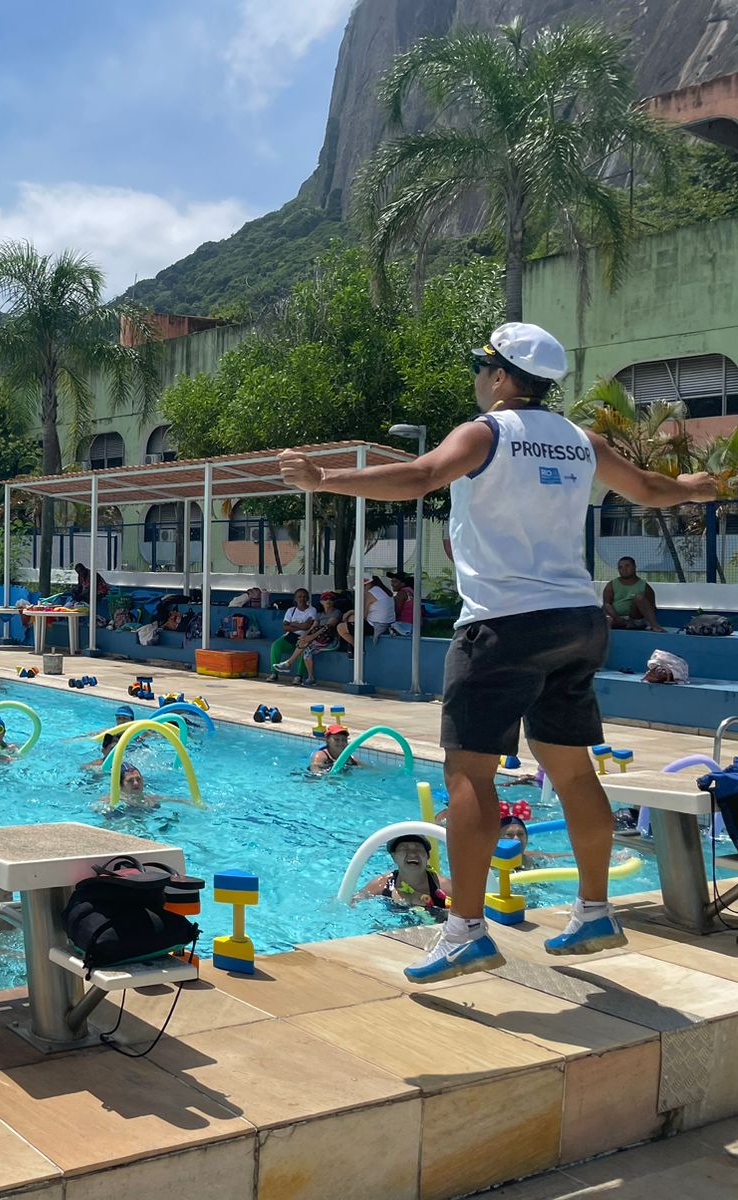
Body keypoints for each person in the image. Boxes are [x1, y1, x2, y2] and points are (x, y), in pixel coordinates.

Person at [279, 320, 718, 982]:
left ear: (502, 376)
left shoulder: (485, 431)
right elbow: (653, 491)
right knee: (572, 772)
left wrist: (321, 478)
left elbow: (422, 476)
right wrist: (694, 489)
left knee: (469, 775)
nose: (480, 380)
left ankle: (464, 931)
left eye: (483, 369)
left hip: (503, 626)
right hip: (577, 621)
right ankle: (595, 909)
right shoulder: (581, 440)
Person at [354, 834, 450, 913]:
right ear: (393, 857)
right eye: (404, 849)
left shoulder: (445, 887)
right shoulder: (381, 885)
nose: (412, 854)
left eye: (418, 849)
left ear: (427, 856)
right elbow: (352, 904)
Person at [274, 593, 341, 683]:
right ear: (321, 601)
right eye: (325, 599)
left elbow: (327, 627)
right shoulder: (319, 614)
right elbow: (313, 627)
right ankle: (310, 677)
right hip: (316, 639)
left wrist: (310, 637)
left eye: (331, 599)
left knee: (305, 644)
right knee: (305, 646)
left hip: (328, 638)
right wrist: (306, 636)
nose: (328, 601)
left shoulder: (336, 612)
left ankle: (289, 664)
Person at [270, 588, 320, 682]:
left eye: (305, 597)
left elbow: (307, 627)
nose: (302, 599)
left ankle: (299, 676)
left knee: (303, 649)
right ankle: (274, 673)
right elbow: (285, 627)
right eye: (300, 597)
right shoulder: (291, 610)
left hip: (305, 637)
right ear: (295, 599)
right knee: (276, 646)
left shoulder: (312, 610)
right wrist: (301, 625)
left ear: (308, 598)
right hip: (291, 636)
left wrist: (292, 623)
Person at [602, 556, 663, 632]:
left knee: (639, 597)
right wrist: (617, 618)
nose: (624, 569)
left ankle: (655, 626)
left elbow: (652, 607)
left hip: (637, 620)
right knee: (604, 622)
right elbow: (607, 604)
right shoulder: (611, 585)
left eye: (627, 566)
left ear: (634, 567)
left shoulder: (645, 586)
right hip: (618, 620)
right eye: (620, 567)